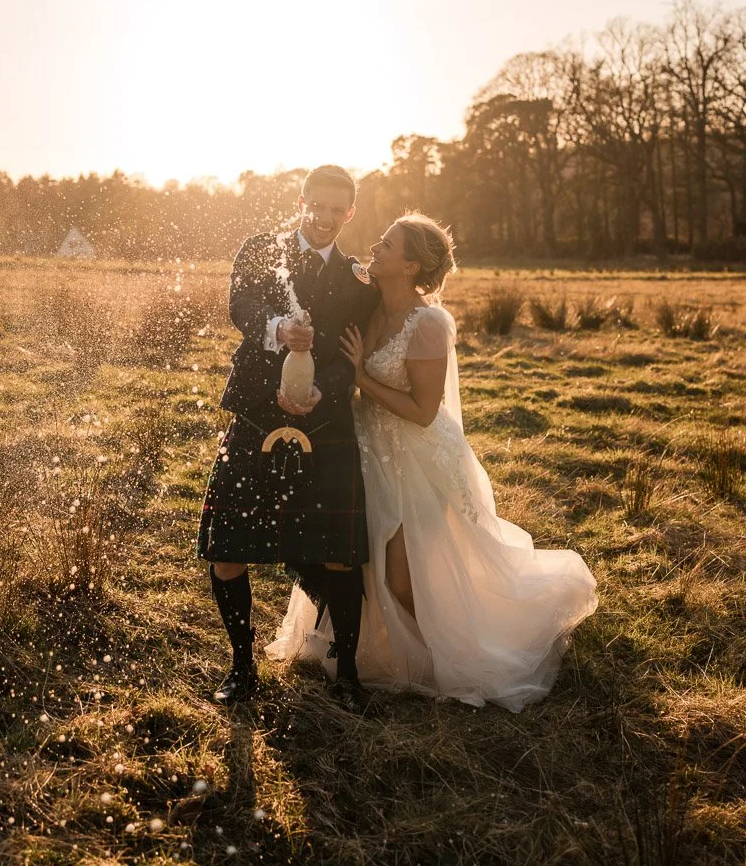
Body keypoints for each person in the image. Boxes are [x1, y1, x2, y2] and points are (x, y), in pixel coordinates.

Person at [266, 213, 598, 711]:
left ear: (411, 264)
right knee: (364, 560)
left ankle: (450, 657)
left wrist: (360, 376)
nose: (375, 248)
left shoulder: (428, 324)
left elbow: (423, 412)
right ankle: (364, 650)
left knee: (401, 574)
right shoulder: (368, 302)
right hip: (365, 448)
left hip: (414, 455)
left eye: (387, 245)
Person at [197, 165, 379, 711]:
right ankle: (241, 668)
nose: (324, 219)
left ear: (350, 213)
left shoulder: (356, 279)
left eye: (336, 210)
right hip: (255, 414)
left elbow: (352, 357)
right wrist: (278, 330)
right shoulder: (259, 249)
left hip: (325, 426)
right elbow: (241, 308)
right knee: (228, 551)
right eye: (315, 206)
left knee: (340, 556)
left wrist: (322, 390)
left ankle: (346, 674)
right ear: (302, 201)